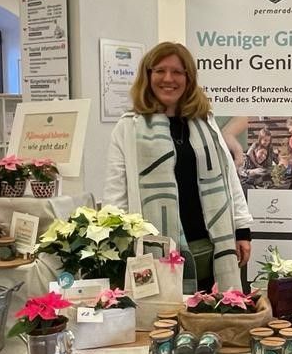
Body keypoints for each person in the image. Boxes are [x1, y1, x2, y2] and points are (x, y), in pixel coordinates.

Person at [103, 42, 252, 293]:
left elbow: (229, 177)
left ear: (188, 78)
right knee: (160, 312)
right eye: (160, 71)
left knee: (213, 312)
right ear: (148, 75)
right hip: (154, 251)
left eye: (177, 72)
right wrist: (116, 246)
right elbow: (115, 193)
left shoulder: (205, 123)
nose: (168, 79)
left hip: (209, 249)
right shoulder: (128, 127)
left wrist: (242, 230)